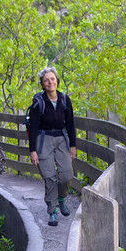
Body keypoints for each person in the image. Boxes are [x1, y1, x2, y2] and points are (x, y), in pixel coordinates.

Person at [26, 66, 78, 226]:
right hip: (43, 140)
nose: (50, 82)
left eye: (52, 79)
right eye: (46, 80)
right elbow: (33, 128)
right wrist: (33, 150)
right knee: (49, 177)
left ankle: (62, 199)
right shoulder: (38, 103)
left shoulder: (64, 99)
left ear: (57, 80)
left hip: (62, 139)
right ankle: (53, 211)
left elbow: (70, 124)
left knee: (66, 175)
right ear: (42, 84)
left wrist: (73, 145)